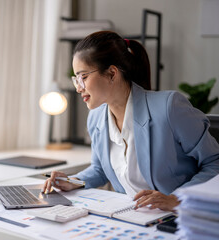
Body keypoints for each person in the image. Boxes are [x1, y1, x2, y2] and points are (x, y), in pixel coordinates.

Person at [42, 31, 219, 212]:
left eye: (83, 77)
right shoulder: (96, 117)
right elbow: (100, 169)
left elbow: (214, 162)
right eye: (76, 79)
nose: (79, 88)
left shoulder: (169, 107)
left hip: (179, 217)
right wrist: (71, 181)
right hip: (131, 216)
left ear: (112, 73)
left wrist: (177, 199)